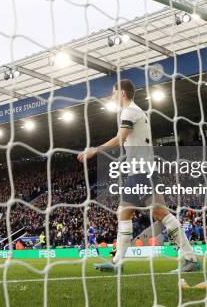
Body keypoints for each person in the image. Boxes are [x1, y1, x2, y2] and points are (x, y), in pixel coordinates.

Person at [78, 79, 200, 273]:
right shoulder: (134, 111)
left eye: (113, 92)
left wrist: (94, 150)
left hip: (142, 171)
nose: (112, 96)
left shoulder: (129, 112)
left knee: (158, 213)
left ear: (123, 93)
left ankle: (190, 257)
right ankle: (118, 262)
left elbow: (121, 138)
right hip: (142, 170)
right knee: (127, 213)